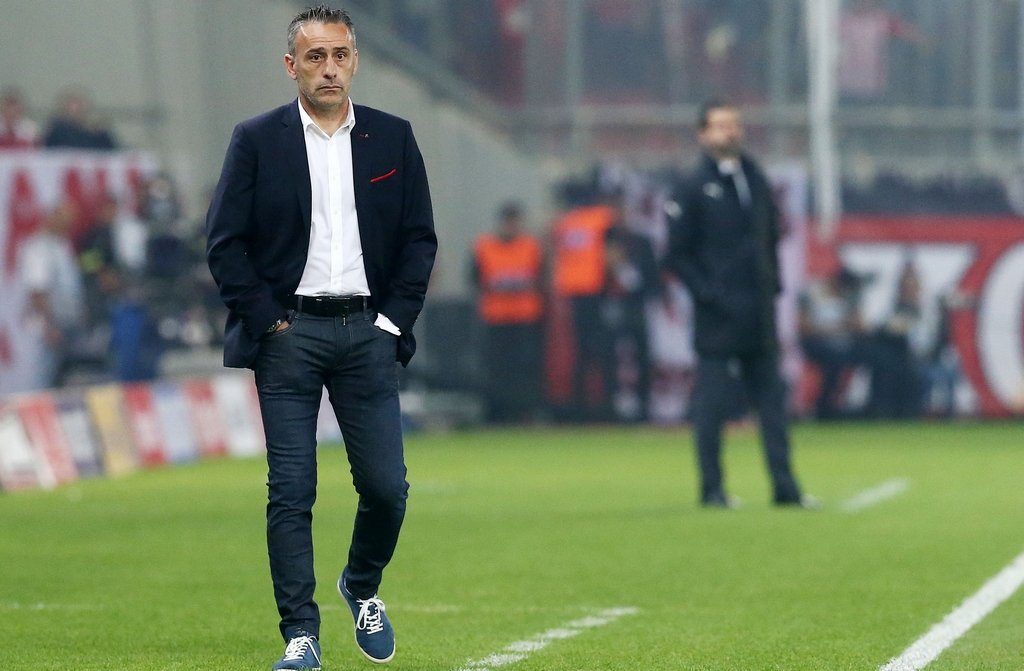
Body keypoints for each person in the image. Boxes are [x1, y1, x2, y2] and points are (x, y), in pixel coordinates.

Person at [205, 6, 437, 670]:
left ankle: (360, 584)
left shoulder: (394, 136)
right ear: (291, 66)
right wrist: (268, 322)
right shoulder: (257, 139)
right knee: (291, 489)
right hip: (289, 335)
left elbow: (420, 239)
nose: (329, 68)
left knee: (387, 488)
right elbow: (224, 242)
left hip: (368, 332)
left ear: (355, 61)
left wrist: (391, 322)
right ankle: (300, 633)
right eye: (315, 57)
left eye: (339, 55)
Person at [663, 99, 811, 509]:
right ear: (703, 134)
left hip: (758, 314)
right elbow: (676, 254)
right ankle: (712, 489)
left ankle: (785, 489)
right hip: (718, 318)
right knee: (711, 407)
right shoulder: (692, 185)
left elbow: (769, 236)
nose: (731, 131)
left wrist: (772, 285)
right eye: (721, 125)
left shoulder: (756, 178)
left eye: (735, 124)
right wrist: (708, 293)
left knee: (772, 405)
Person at [470, 202, 545, 423]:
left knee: (524, 368)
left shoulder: (531, 246)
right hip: (496, 318)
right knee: (497, 369)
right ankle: (498, 413)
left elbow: (540, 279)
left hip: (525, 319)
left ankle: (524, 412)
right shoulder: (484, 247)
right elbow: (475, 280)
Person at [18, 200, 86, 389]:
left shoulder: (61, 245)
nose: (68, 227)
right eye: (65, 222)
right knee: (43, 378)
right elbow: (37, 292)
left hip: (67, 322)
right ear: (51, 219)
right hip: (50, 326)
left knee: (65, 379)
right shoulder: (38, 248)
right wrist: (49, 327)